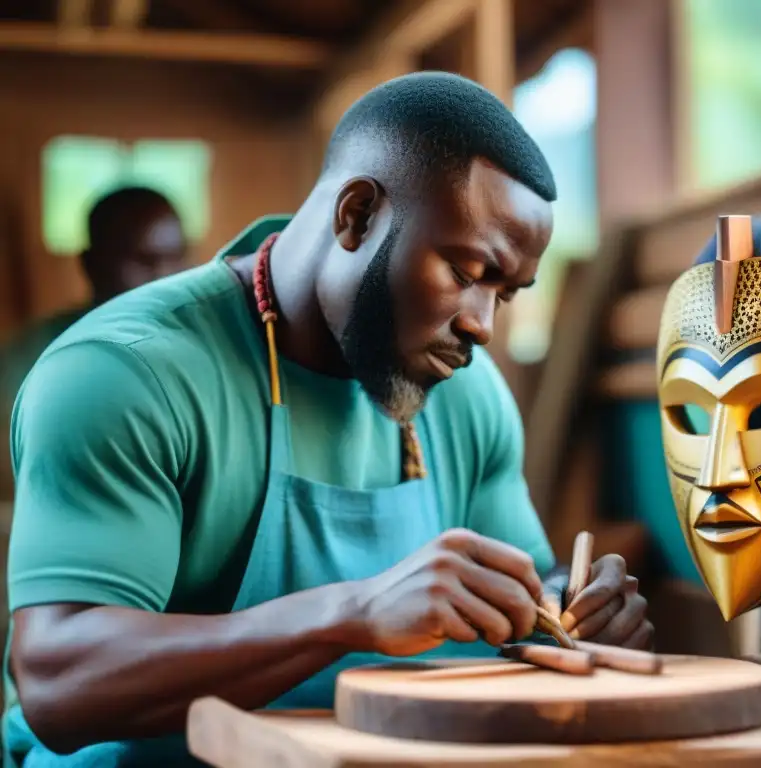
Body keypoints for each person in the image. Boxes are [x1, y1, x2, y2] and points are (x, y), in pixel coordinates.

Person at [4, 72, 652, 766]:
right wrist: (350, 614)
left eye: (507, 293)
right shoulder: (127, 373)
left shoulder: (468, 391)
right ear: (358, 215)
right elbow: (59, 681)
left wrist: (571, 610)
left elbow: (526, 597)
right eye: (466, 271)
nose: (483, 325)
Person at [0, 186, 187, 498]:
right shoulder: (28, 359)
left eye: (176, 257)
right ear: (91, 264)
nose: (163, 276)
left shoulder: (199, 357)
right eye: (143, 260)